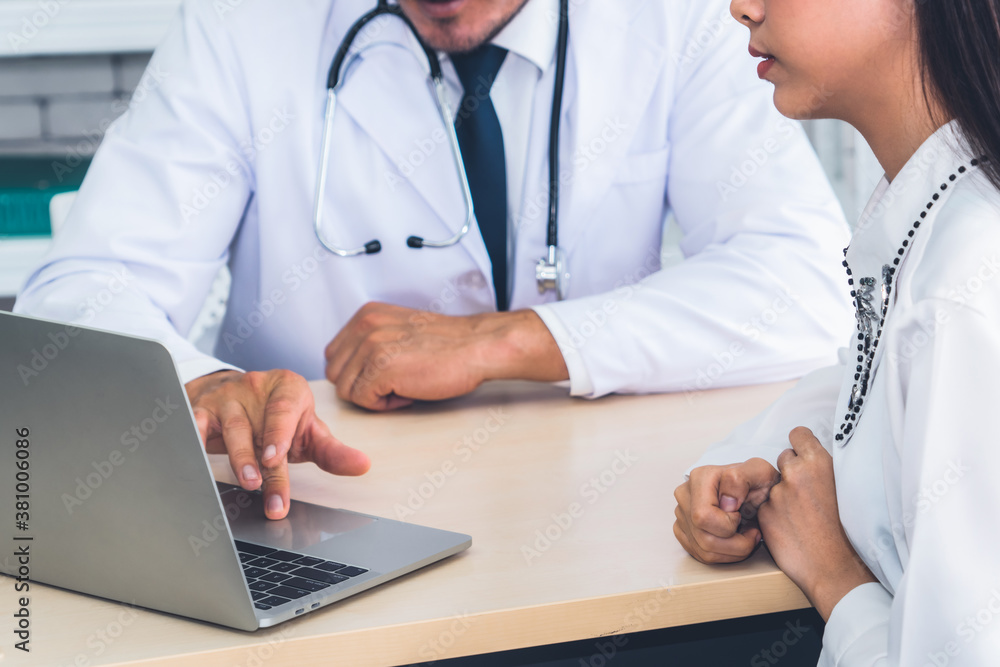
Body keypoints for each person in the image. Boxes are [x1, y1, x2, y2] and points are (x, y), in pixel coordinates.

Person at [16, 0, 852, 519]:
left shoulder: (674, 18)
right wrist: (200, 383)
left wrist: (506, 340)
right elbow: (82, 288)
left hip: (604, 514)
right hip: (318, 511)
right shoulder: (244, 24)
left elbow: (809, 283)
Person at [674, 0, 1000, 663]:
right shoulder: (936, 212)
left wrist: (833, 576)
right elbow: (869, 383)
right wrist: (765, 460)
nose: (742, 9)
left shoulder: (964, 282)